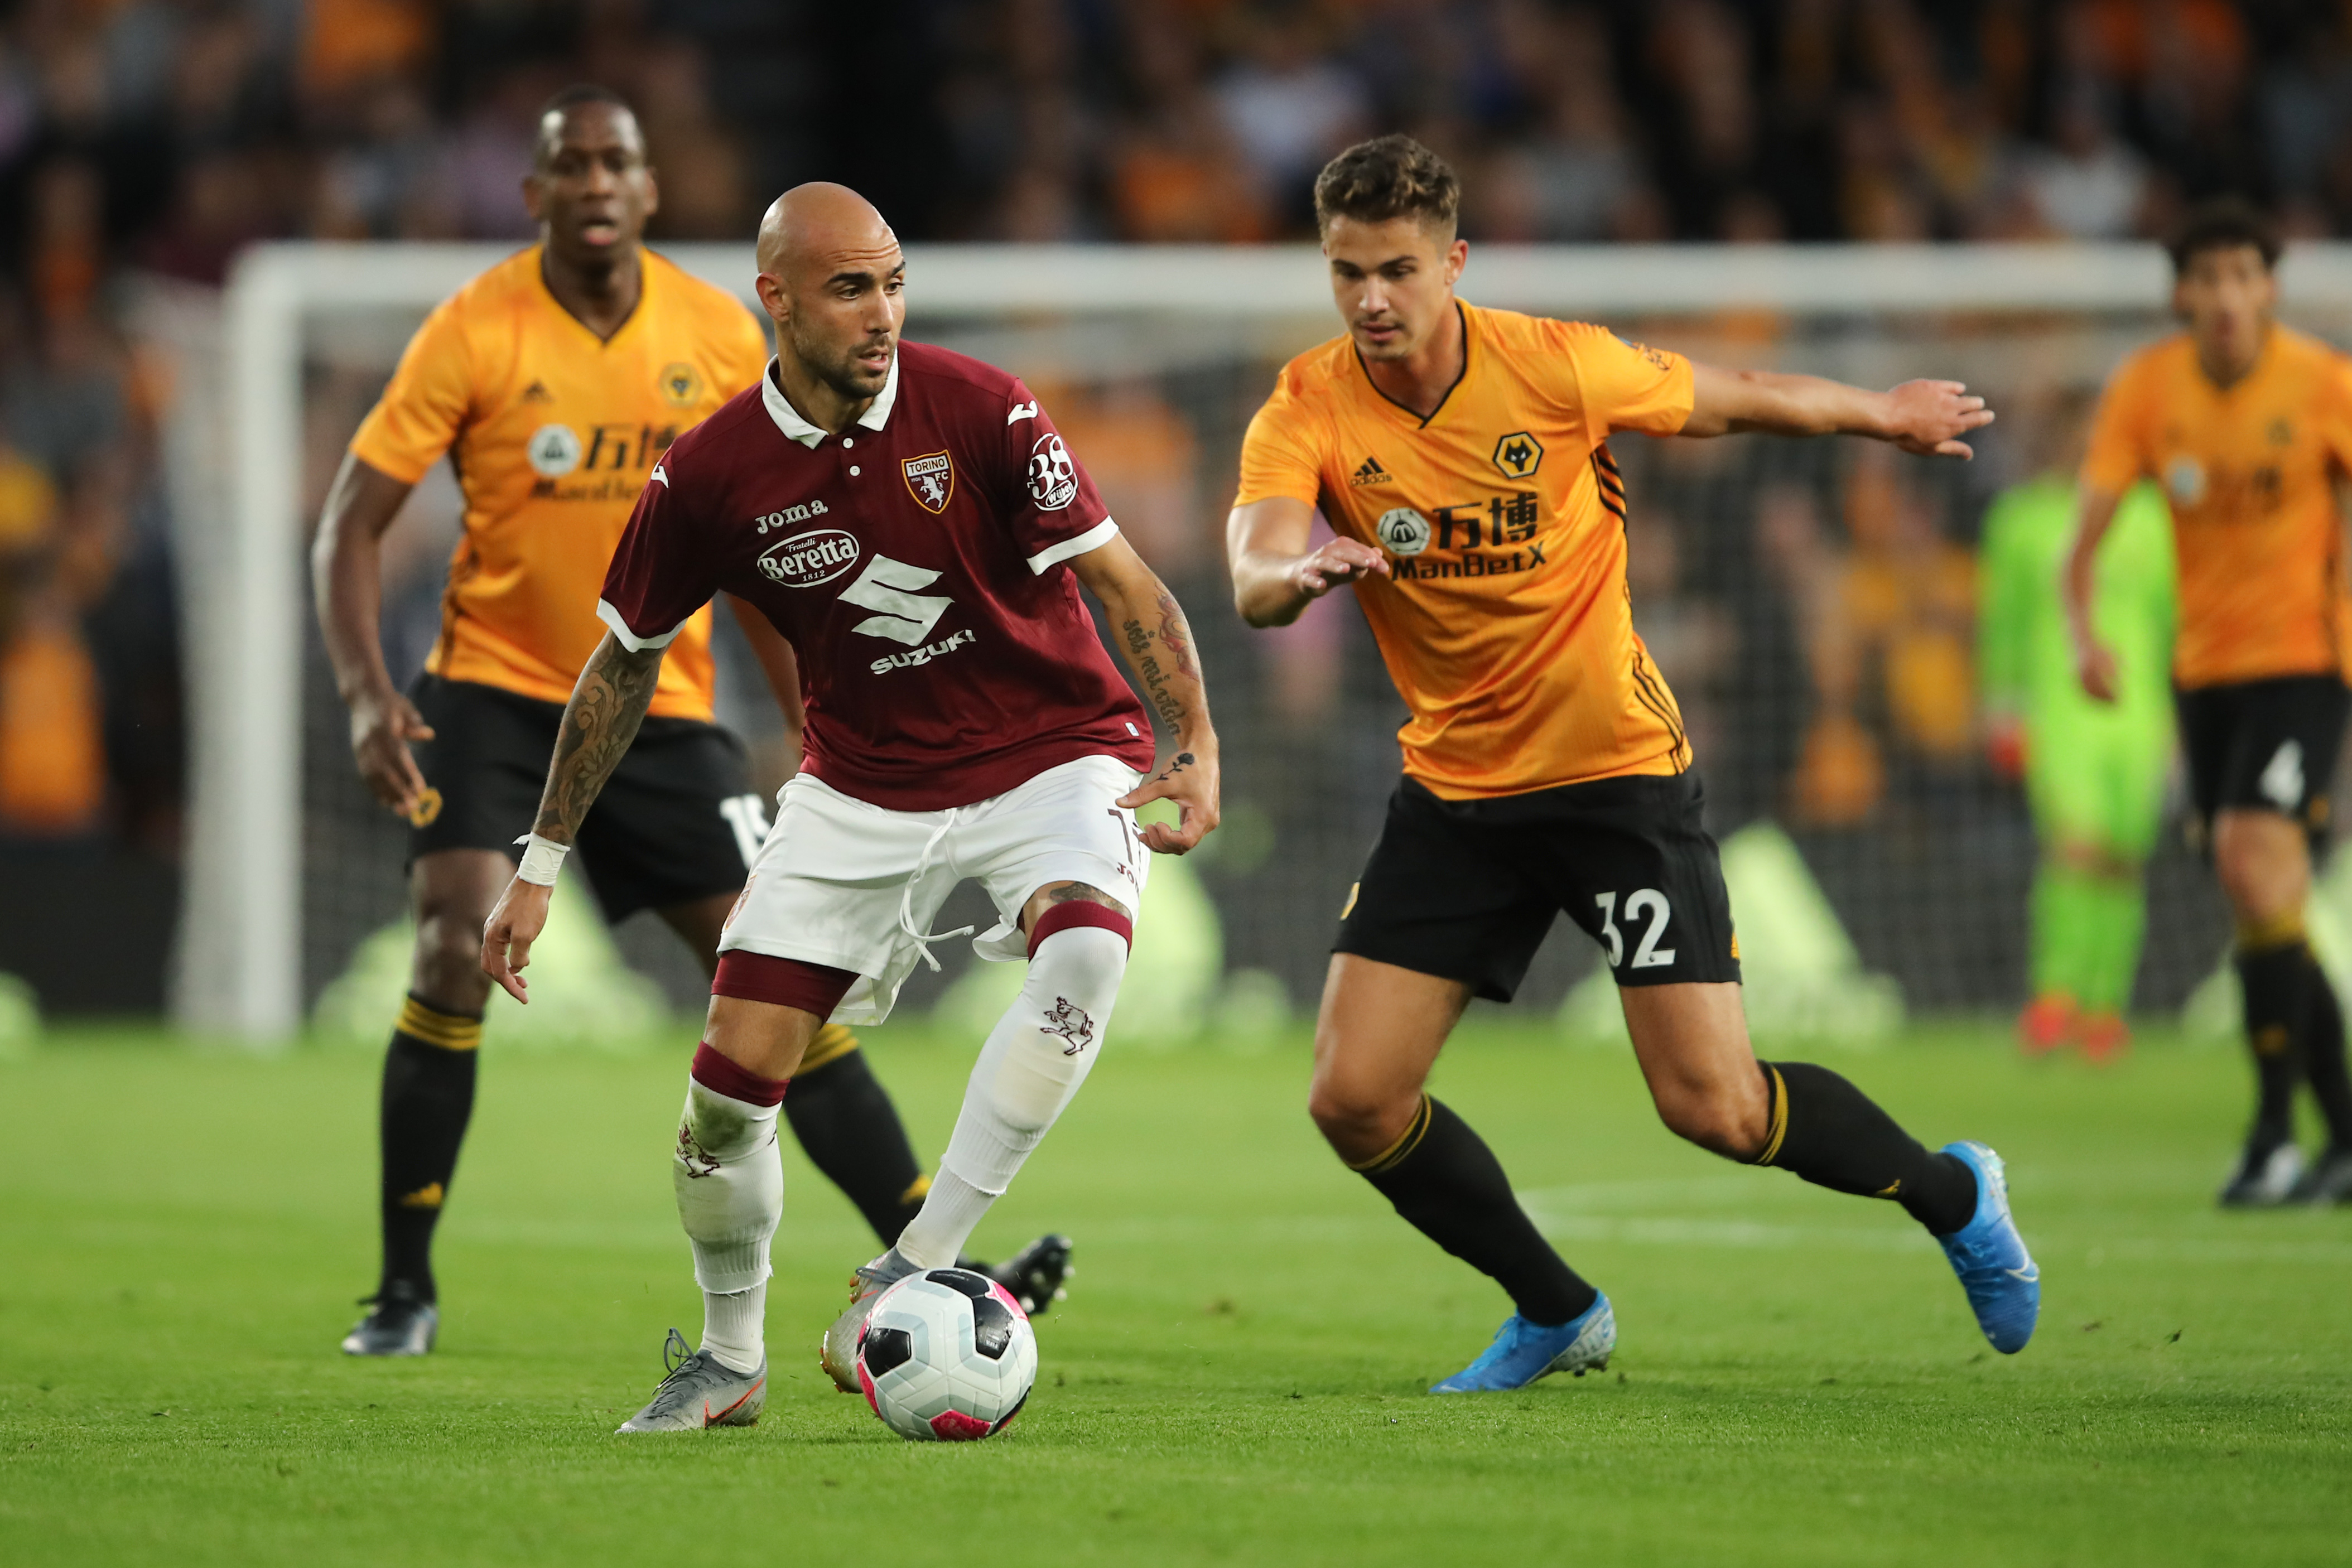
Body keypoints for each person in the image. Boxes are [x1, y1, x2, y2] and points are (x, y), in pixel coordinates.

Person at [1226, 135, 2036, 1394]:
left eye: (1393, 269)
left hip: (1612, 774)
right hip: (1455, 791)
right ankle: (1554, 1309)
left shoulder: (1552, 365)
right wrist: (1296, 575)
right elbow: (1252, 564)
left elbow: (1737, 393)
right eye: (1344, 273)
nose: (1370, 299)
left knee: (1711, 1106)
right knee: (1353, 1096)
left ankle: (1951, 1189)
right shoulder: (1306, 403)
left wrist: (1879, 415)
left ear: (1453, 260)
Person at [313, 88, 1066, 1360]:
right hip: (494, 694)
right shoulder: (474, 328)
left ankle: (939, 1259)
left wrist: (813, 725)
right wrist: (364, 692)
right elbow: (350, 521)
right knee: (450, 941)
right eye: (575, 163)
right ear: (537, 193)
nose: (600, 181)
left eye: (621, 161)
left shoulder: (713, 334)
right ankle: (401, 1289)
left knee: (779, 975)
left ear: (652, 192)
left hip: (665, 708)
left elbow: (785, 545)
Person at [478, 182, 1220, 1432]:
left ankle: (911, 1261)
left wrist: (1193, 744)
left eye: (891, 282)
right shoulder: (711, 474)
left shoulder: (981, 407)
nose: (881, 313)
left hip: (1053, 748)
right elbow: (621, 660)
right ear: (774, 299)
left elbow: (1123, 580)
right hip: (860, 787)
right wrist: (542, 860)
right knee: (722, 1105)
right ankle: (728, 1356)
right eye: (846, 288)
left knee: (1088, 945)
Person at [2065, 199, 2352, 1207]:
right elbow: (2086, 531)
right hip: (2203, 675)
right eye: (2208, 277)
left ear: (2268, 286)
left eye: (2244, 274)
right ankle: (2341, 1136)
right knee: (2262, 896)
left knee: (2245, 854)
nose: (2226, 295)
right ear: (2182, 293)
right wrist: (2081, 632)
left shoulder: (2320, 382)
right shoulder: (2147, 389)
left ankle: (2273, 1133)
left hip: (2307, 663)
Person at [1980, 395, 2175, 1063]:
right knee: (2075, 846)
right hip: (2058, 711)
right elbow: (2002, 621)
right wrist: (2002, 706)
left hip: (2140, 711)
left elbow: (2172, 624)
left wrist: (2187, 717)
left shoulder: (2153, 519)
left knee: (2123, 858)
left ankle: (2104, 1005)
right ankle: (2054, 994)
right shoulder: (2023, 520)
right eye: (2080, 435)